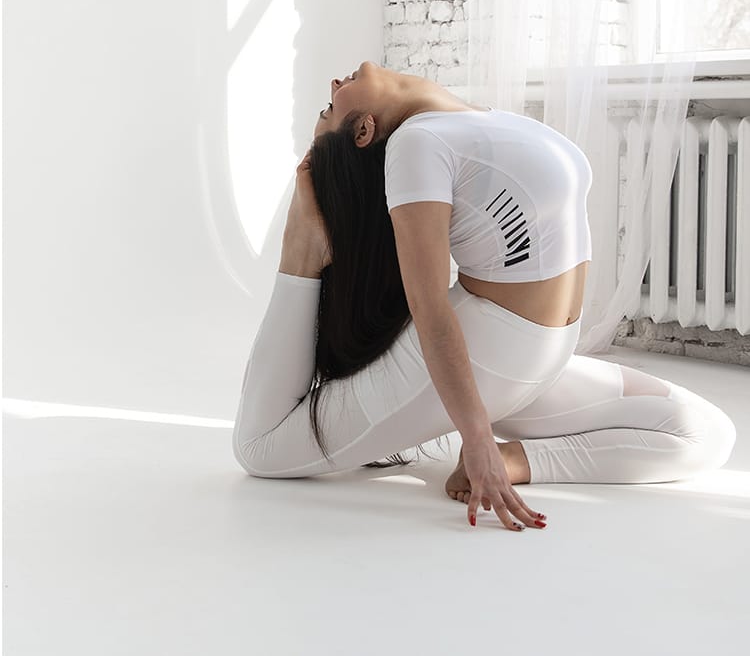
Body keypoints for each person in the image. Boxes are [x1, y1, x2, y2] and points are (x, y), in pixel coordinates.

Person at [232, 60, 737, 532]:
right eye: (330, 108)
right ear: (364, 130)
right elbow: (430, 310)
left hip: (535, 362)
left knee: (707, 434)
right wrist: (477, 438)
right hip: (488, 357)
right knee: (259, 447)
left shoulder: (483, 121)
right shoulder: (416, 145)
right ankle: (303, 251)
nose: (333, 86)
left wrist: (501, 452)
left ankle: (516, 461)